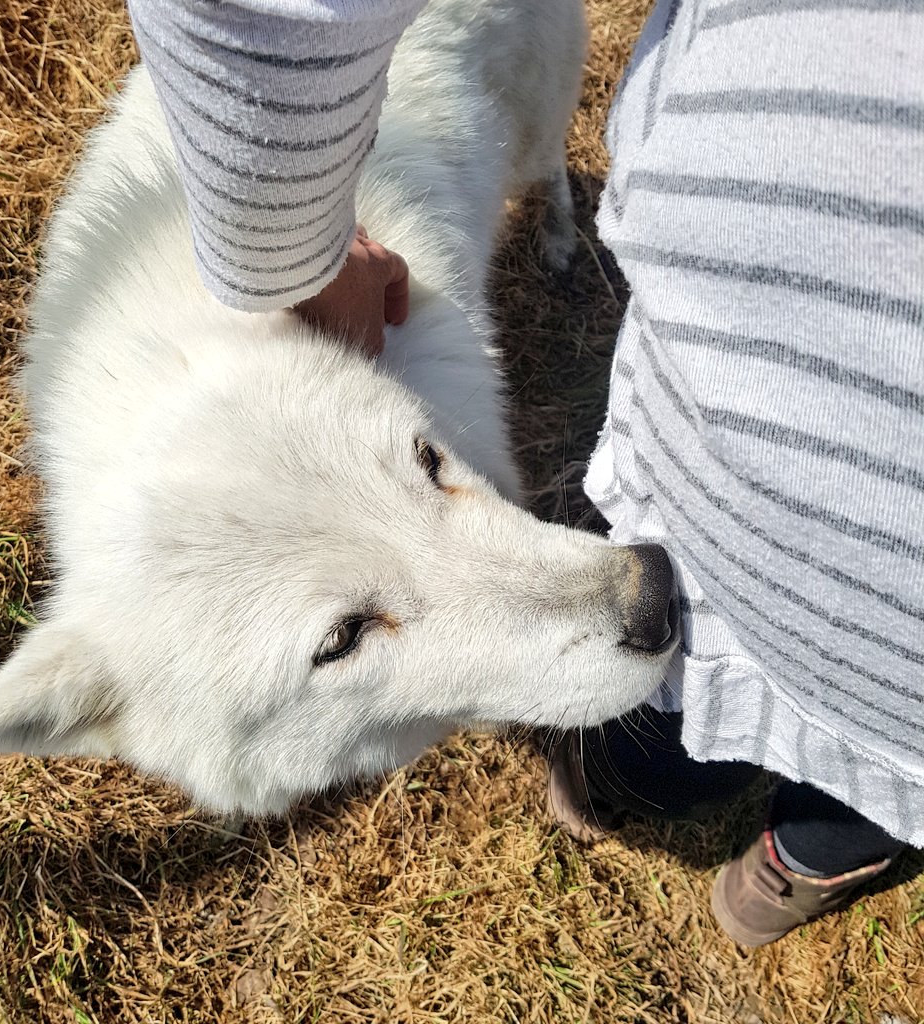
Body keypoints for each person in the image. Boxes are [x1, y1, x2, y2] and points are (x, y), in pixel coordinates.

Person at [126, 0, 924, 947]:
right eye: (343, 631)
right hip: (717, 498)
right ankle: (639, 783)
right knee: (660, 701)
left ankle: (818, 846)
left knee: (788, 750)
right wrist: (288, 252)